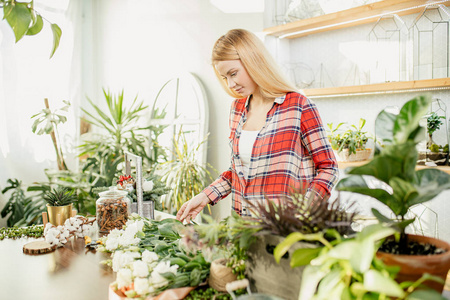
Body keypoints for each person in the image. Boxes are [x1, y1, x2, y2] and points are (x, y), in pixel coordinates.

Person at [176, 29, 338, 223]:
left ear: (253, 60)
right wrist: (205, 196)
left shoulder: (299, 106)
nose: (230, 84)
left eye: (233, 73)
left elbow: (328, 167)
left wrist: (305, 210)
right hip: (244, 229)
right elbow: (239, 170)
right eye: (224, 77)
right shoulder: (237, 110)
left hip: (288, 230)